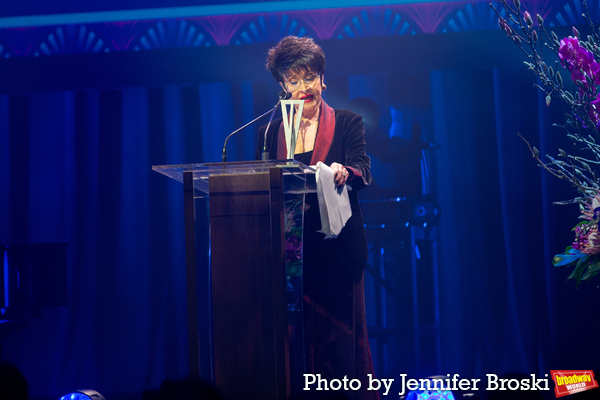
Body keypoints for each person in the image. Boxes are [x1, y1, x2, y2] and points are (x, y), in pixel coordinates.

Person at [256, 35, 379, 400]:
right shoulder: (271, 130)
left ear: (322, 78)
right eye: (292, 80)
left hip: (337, 251)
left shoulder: (346, 121)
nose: (302, 87)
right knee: (299, 348)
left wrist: (346, 172)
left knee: (341, 348)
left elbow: (364, 170)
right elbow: (264, 184)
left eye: (308, 77)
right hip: (293, 254)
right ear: (282, 86)